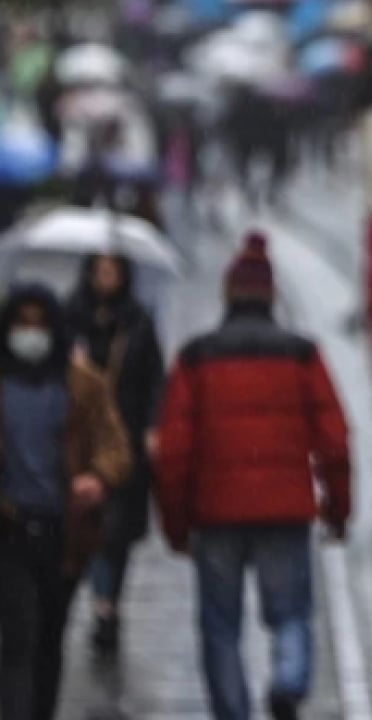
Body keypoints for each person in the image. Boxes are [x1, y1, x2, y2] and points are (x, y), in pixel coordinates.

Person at [155, 233, 350, 720]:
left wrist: (176, 524)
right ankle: (287, 681)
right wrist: (337, 508)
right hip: (285, 509)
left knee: (220, 627)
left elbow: (173, 451)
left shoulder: (196, 357)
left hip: (215, 513)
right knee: (291, 613)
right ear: (271, 297)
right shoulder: (301, 354)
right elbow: (334, 439)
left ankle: (233, 710)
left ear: (226, 296)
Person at [0, 284, 131, 720]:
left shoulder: (83, 384)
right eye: (23, 323)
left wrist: (99, 477)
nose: (30, 333)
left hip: (65, 534)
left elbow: (115, 446)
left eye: (39, 324)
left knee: (49, 640)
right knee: (18, 636)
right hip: (10, 530)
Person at [67, 254, 166, 654]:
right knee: (93, 525)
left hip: (123, 441)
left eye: (113, 272)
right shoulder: (71, 317)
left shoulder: (137, 320)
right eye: (99, 271)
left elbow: (154, 378)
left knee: (118, 530)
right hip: (80, 442)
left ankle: (109, 600)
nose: (105, 279)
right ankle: (102, 603)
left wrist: (151, 427)